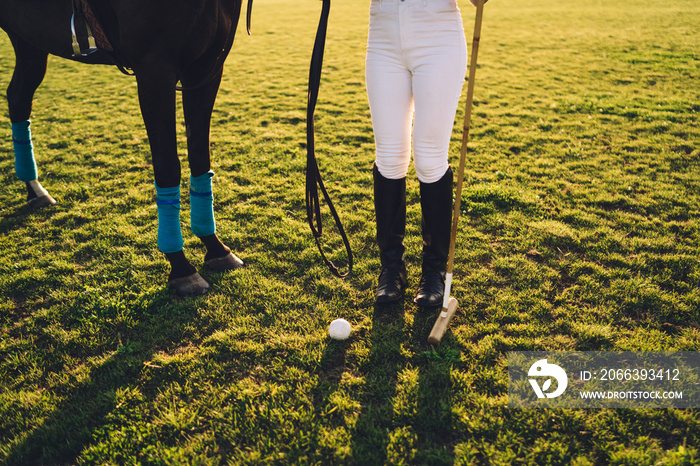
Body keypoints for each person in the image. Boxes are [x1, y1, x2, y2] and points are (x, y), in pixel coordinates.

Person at [366, 0, 473, 306]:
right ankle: (392, 268)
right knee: (388, 156)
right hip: (384, 35)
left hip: (438, 35)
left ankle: (435, 271)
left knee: (429, 157)